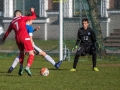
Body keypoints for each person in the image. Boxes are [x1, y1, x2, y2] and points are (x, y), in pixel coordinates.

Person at [1, 8, 36, 76]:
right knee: (31, 53)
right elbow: (34, 17)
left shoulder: (12, 22)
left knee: (22, 53)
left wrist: (3, 39)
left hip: (17, 39)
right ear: (19, 14)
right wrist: (32, 11)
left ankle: (21, 67)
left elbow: (7, 33)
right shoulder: (22, 17)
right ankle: (27, 67)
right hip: (25, 38)